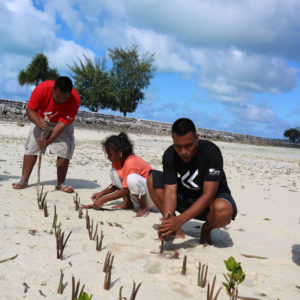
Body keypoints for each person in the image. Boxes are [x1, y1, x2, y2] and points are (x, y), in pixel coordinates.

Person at [147, 118, 237, 246]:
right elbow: (170, 192)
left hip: (212, 200)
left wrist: (180, 219)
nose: (184, 152)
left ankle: (206, 230)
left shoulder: (211, 152)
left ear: (196, 138)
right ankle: (175, 230)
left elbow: (208, 195)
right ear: (173, 142)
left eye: (188, 145)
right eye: (178, 146)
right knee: (152, 179)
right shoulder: (170, 155)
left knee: (223, 210)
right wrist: (168, 222)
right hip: (186, 195)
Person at [12, 76, 81, 193]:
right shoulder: (42, 89)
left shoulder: (75, 100)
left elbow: (61, 125)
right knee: (32, 148)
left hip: (62, 124)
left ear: (69, 94)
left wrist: (48, 141)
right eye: (58, 96)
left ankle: (61, 184)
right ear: (53, 90)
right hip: (40, 119)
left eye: (65, 98)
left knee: (65, 151)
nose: (61, 101)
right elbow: (30, 110)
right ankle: (23, 181)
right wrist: (38, 122)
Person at [83, 132, 155, 217]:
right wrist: (100, 194)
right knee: (113, 172)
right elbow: (116, 184)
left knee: (132, 179)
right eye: (107, 154)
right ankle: (127, 203)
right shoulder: (117, 161)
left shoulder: (131, 162)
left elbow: (125, 190)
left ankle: (143, 208)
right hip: (140, 194)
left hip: (153, 197)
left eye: (110, 154)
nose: (108, 157)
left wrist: (103, 200)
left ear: (120, 152)